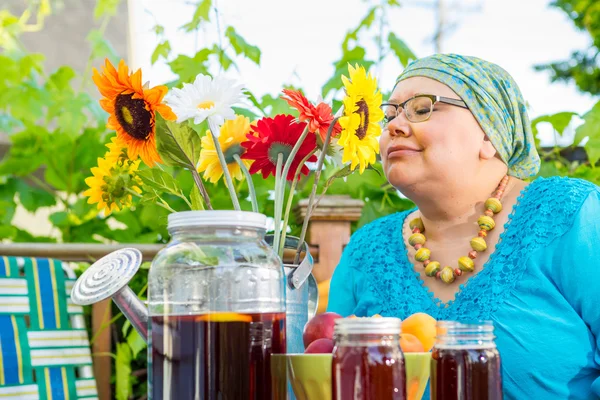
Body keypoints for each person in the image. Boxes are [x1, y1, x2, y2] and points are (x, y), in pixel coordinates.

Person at [327, 54, 600, 399]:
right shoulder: (366, 251)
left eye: (422, 108)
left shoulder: (571, 214)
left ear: (488, 134)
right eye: (390, 114)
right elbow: (326, 379)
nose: (394, 125)